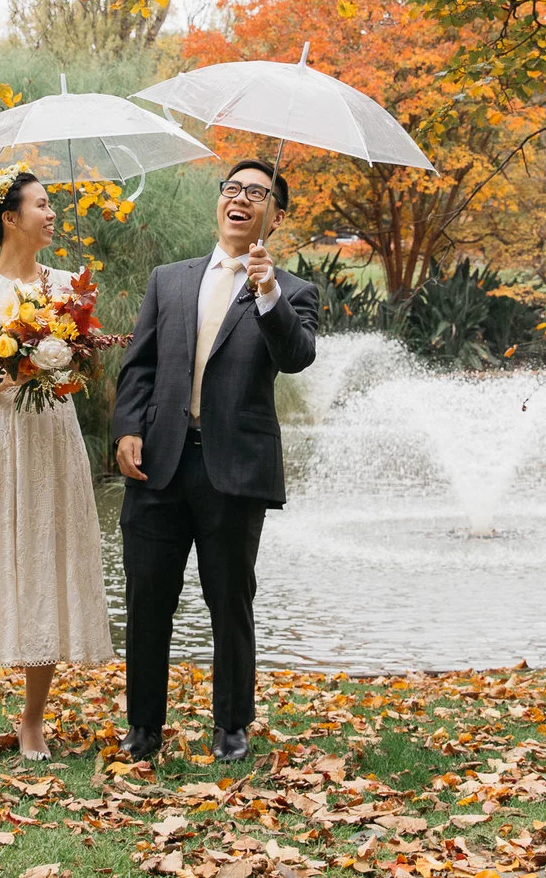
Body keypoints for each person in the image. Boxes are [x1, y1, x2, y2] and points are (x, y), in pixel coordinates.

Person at [110, 158, 320, 762]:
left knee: (230, 599)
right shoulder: (169, 279)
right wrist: (127, 427)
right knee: (148, 598)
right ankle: (143, 727)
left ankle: (232, 725)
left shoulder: (294, 292)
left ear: (275, 216)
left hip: (234, 468)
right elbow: (140, 364)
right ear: (220, 203)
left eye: (259, 194)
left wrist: (268, 293)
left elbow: (297, 357)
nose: (242, 199)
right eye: (233, 189)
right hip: (159, 463)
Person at [0, 163, 113, 760]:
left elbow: (83, 366)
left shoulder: (65, 286)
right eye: (41, 204)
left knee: (46, 564)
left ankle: (33, 719)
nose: (51, 213)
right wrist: (16, 364)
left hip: (56, 437)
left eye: (50, 203)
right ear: (10, 218)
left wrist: (70, 359)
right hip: (1, 440)